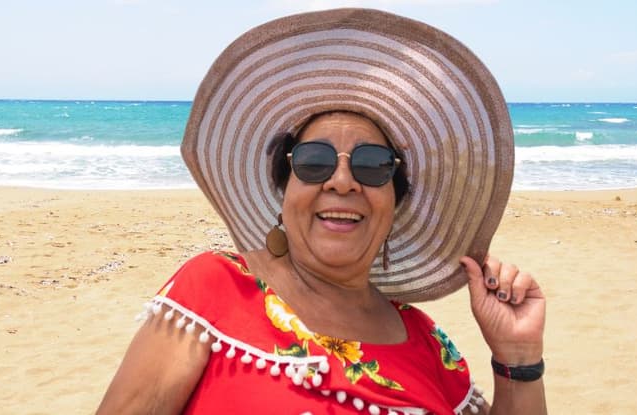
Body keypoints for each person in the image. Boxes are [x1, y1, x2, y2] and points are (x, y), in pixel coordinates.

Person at [98, 8, 546, 414]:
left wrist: (518, 357)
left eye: (373, 166)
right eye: (315, 161)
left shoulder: (428, 344)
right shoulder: (215, 290)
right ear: (284, 189)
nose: (342, 181)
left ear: (394, 203)